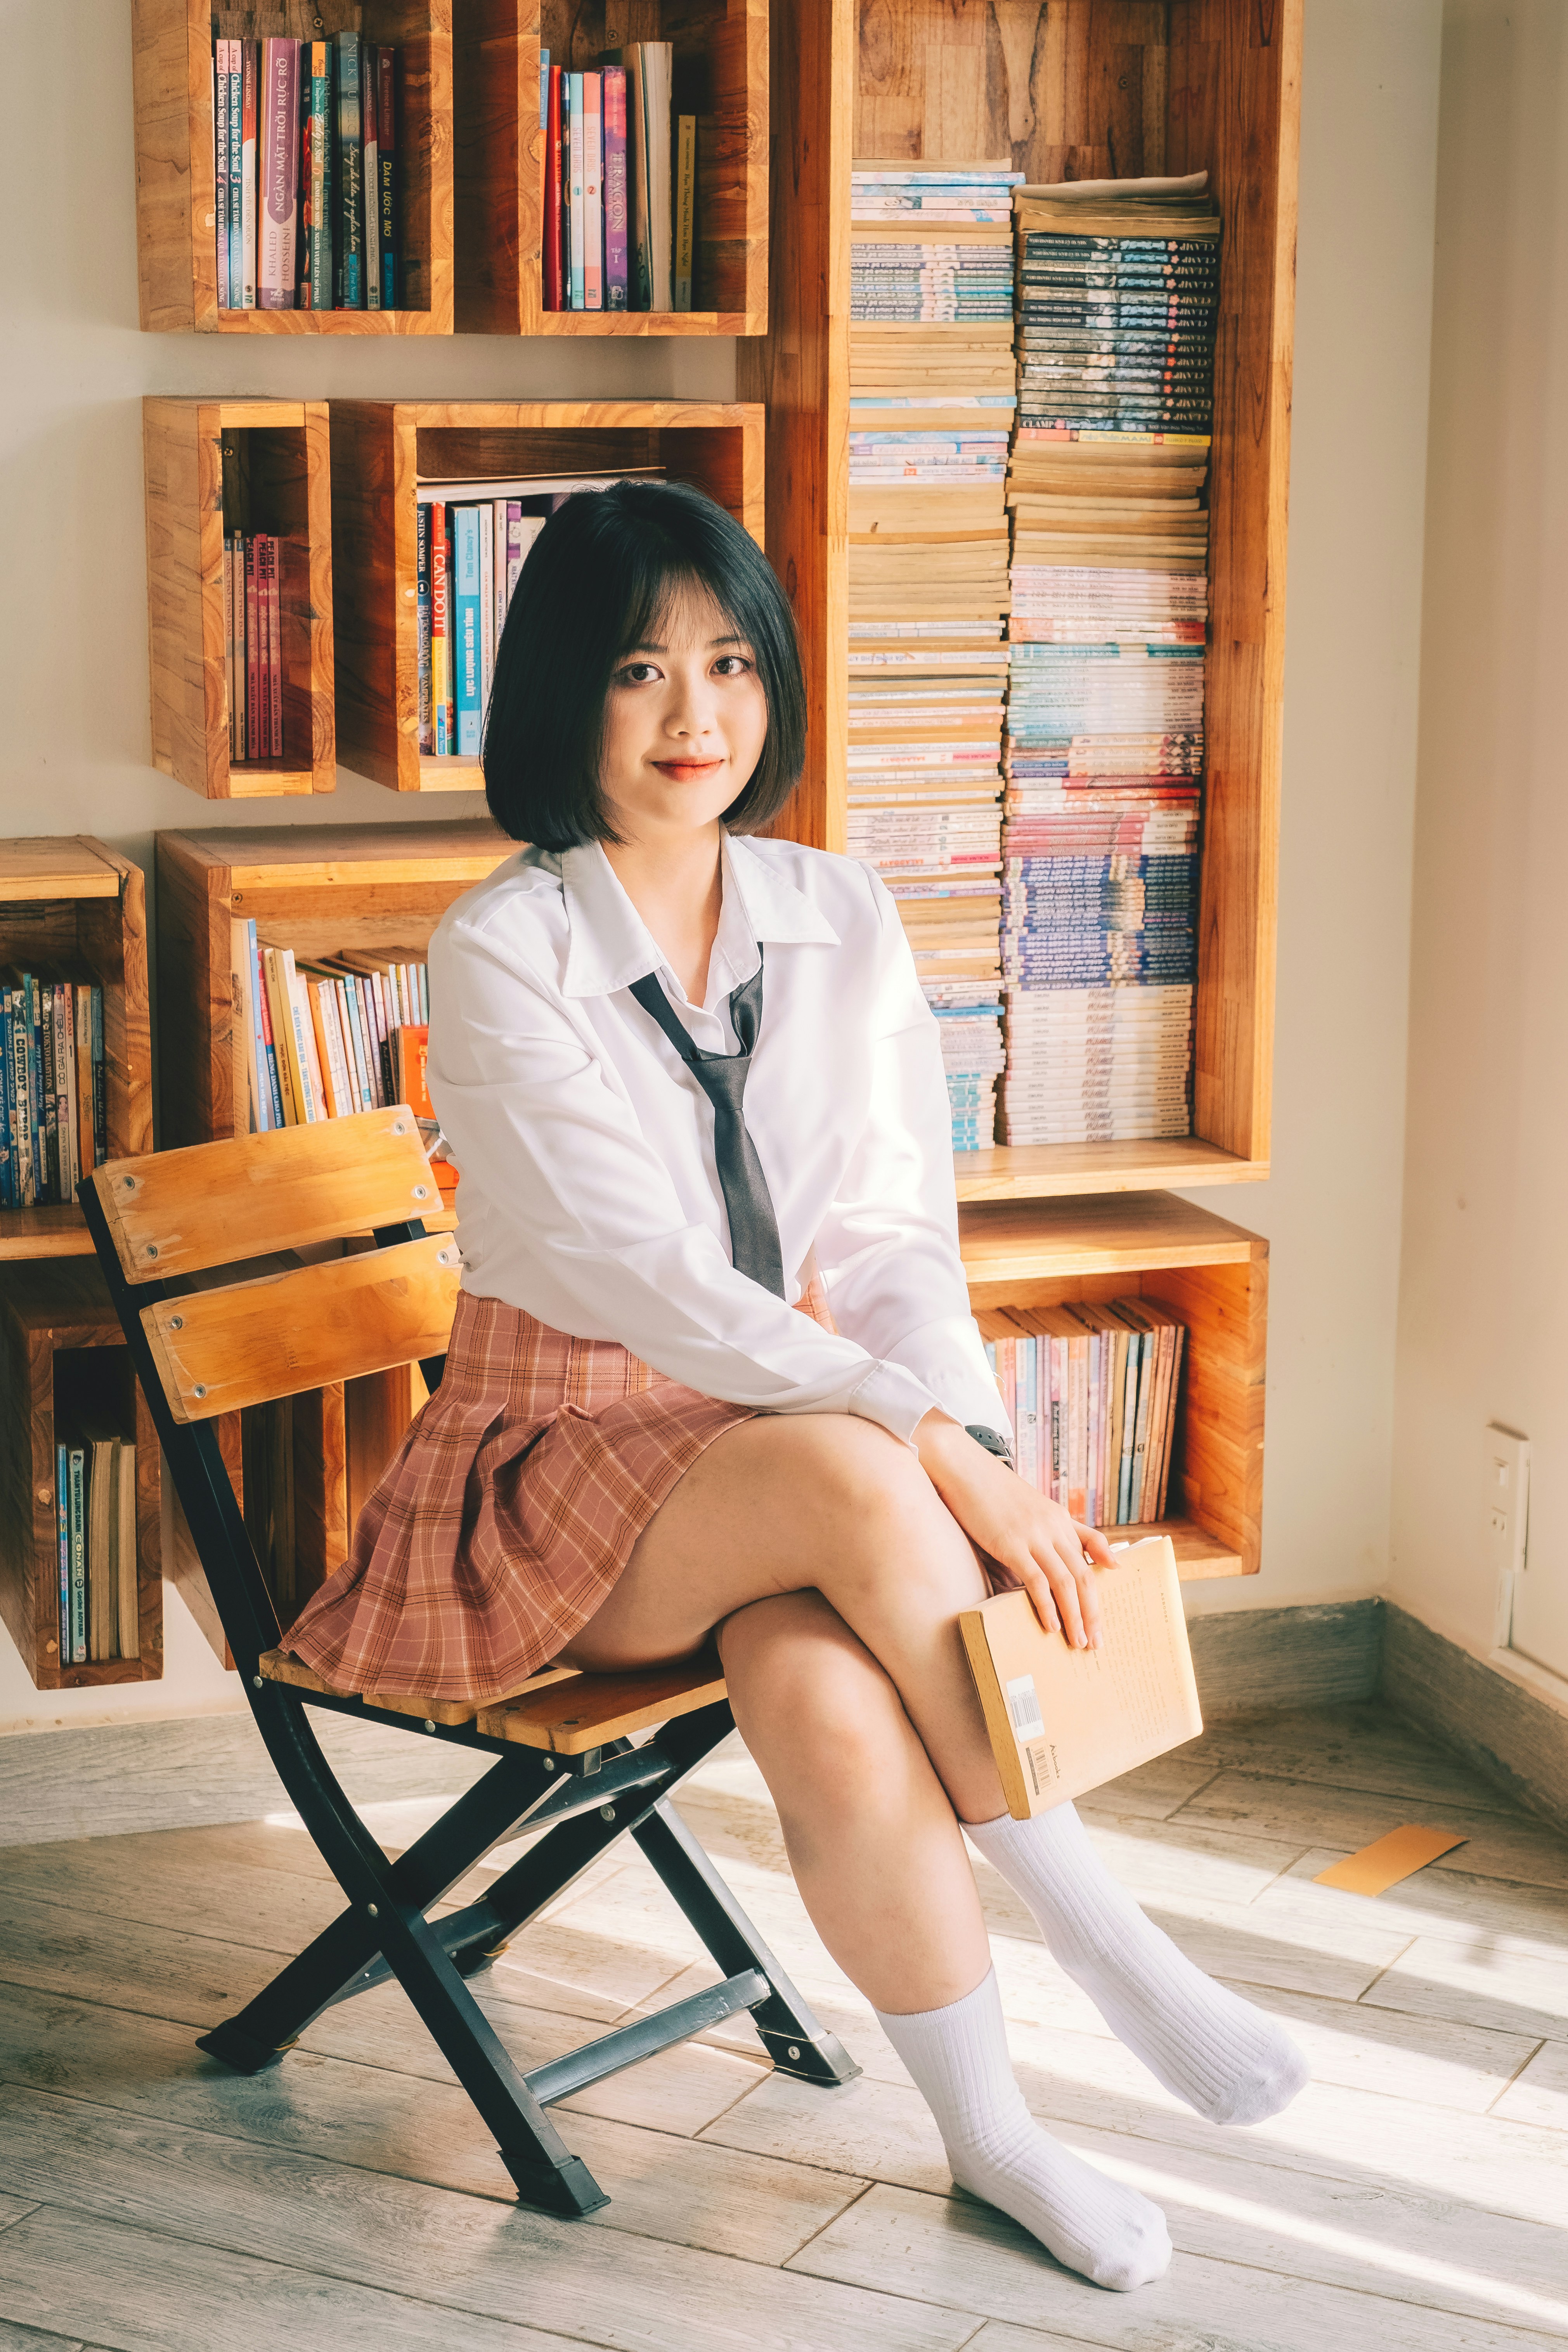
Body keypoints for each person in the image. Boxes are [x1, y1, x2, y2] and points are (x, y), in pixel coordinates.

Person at [282, 480, 1306, 2294]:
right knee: (855, 1480)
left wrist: (966, 1431)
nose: (698, 718)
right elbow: (646, 1281)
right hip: (557, 1459)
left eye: (732, 662)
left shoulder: (834, 909)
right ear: (557, 704)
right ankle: (1110, 1941)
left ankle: (994, 2138)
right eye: (639, 670)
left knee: (820, 1684)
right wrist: (940, 1463)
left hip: (773, 1431)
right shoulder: (502, 943)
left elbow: (894, 1229)